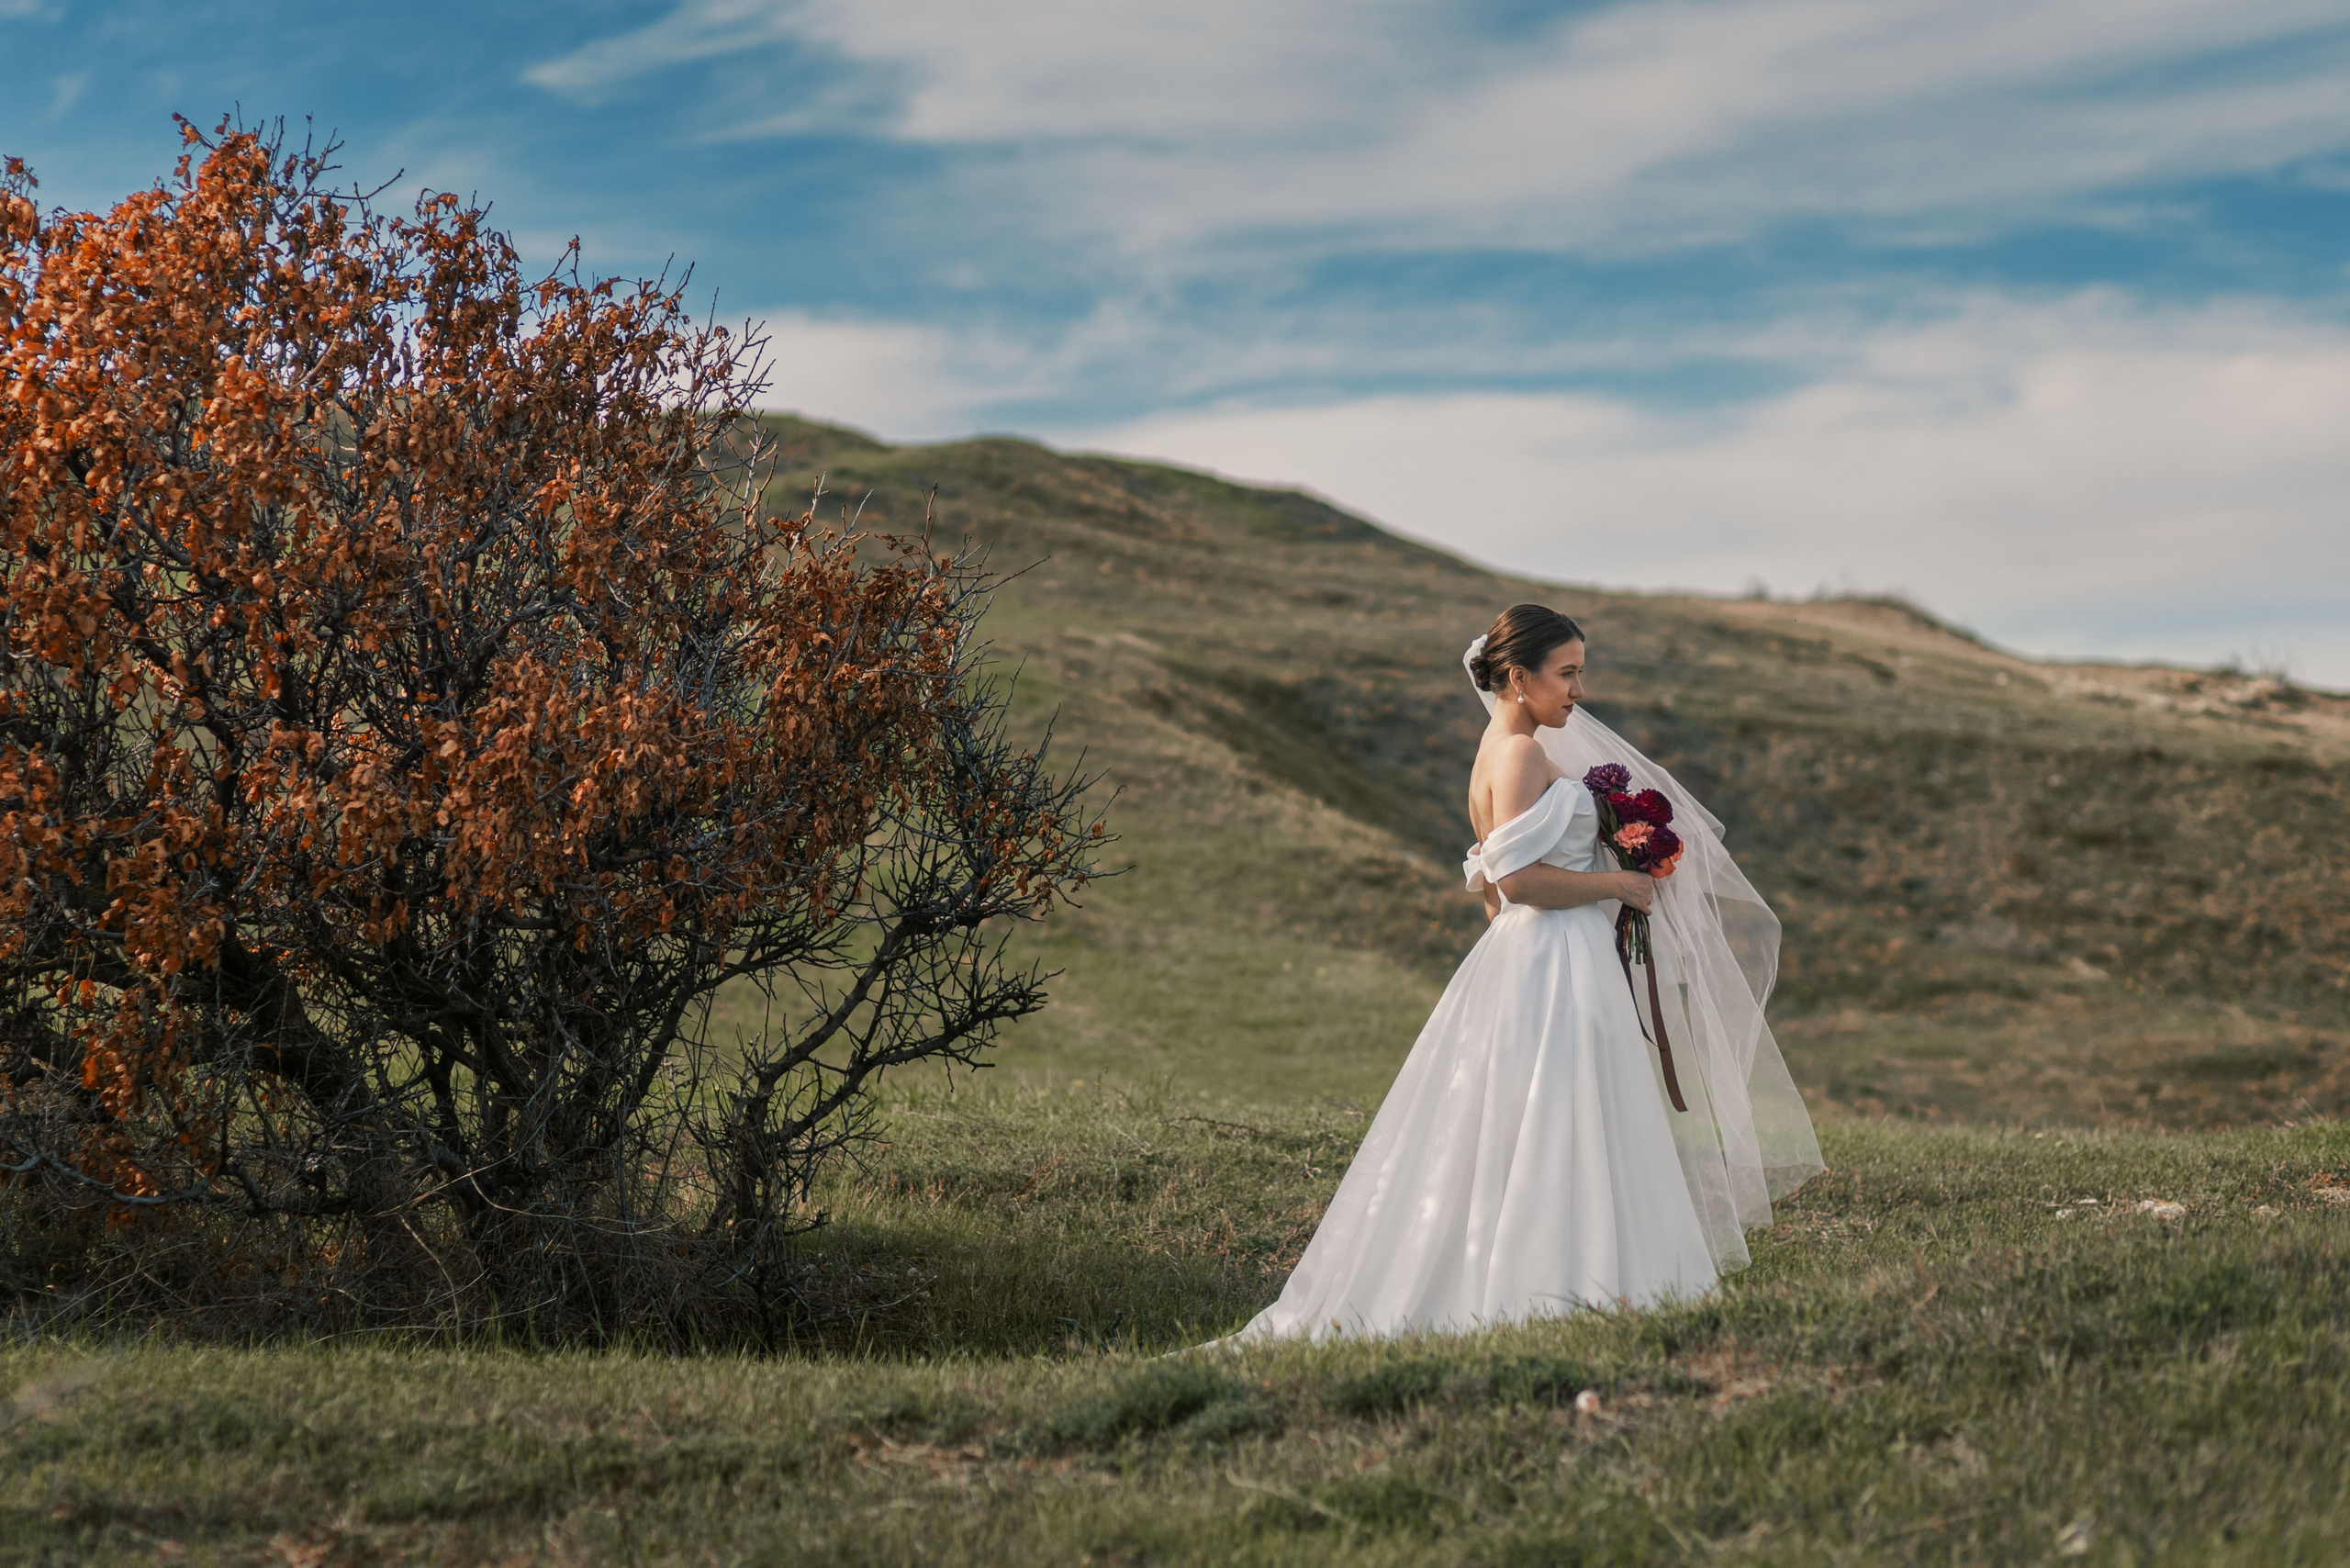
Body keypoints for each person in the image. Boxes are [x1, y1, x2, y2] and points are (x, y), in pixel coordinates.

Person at [1221, 604, 1820, 1343]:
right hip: (1554, 953)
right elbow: (1519, 882)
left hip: (1533, 955)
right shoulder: (1522, 757)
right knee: (1565, 1112)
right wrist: (1620, 888)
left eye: (1578, 673)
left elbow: (1489, 890)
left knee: (1548, 1113)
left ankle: (1555, 1266)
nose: (1576, 690)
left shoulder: (1495, 751)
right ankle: (1564, 1278)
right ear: (1517, 676)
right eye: (1566, 674)